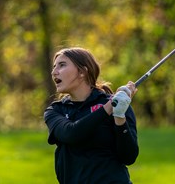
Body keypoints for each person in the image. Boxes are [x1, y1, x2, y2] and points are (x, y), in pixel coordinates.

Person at [44, 47, 139, 184]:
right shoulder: (55, 110)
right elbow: (71, 133)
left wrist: (119, 116)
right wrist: (110, 107)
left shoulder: (119, 105)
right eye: (54, 67)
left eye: (62, 65)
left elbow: (128, 157)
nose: (54, 72)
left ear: (82, 72)